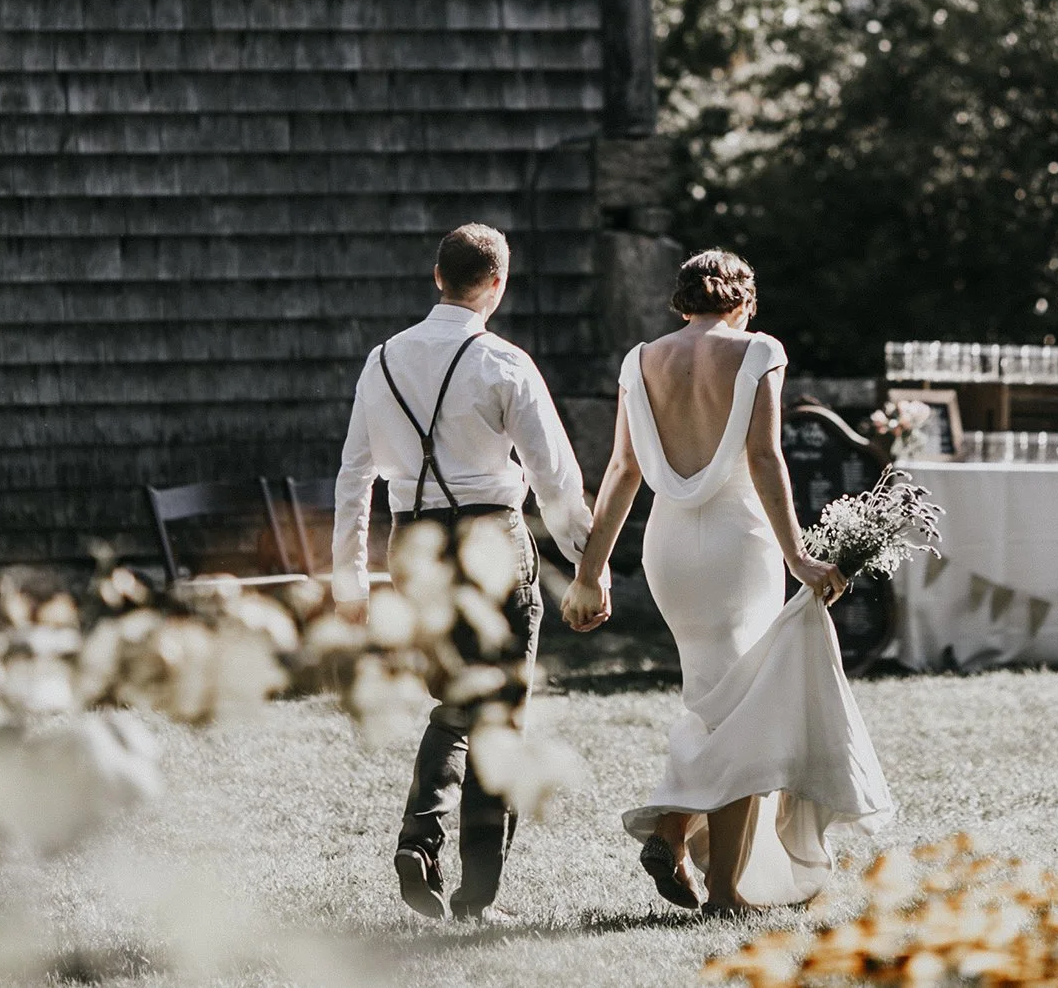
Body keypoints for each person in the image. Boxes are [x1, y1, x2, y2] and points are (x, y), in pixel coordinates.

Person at [561, 249, 895, 913]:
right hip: (740, 545)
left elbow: (623, 469)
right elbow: (766, 455)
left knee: (715, 700)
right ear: (743, 302)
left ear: (681, 302)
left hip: (671, 548)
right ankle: (715, 883)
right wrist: (797, 554)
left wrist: (590, 571)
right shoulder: (758, 349)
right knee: (748, 709)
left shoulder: (639, 360)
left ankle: (677, 833)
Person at [332, 223, 592, 924]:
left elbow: (354, 475)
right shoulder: (504, 362)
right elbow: (555, 480)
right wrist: (588, 565)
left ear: (435, 275)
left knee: (452, 703)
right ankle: (477, 894)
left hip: (412, 545)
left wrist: (348, 578)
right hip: (492, 542)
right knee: (498, 711)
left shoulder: (381, 360)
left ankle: (419, 840)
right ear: (498, 284)